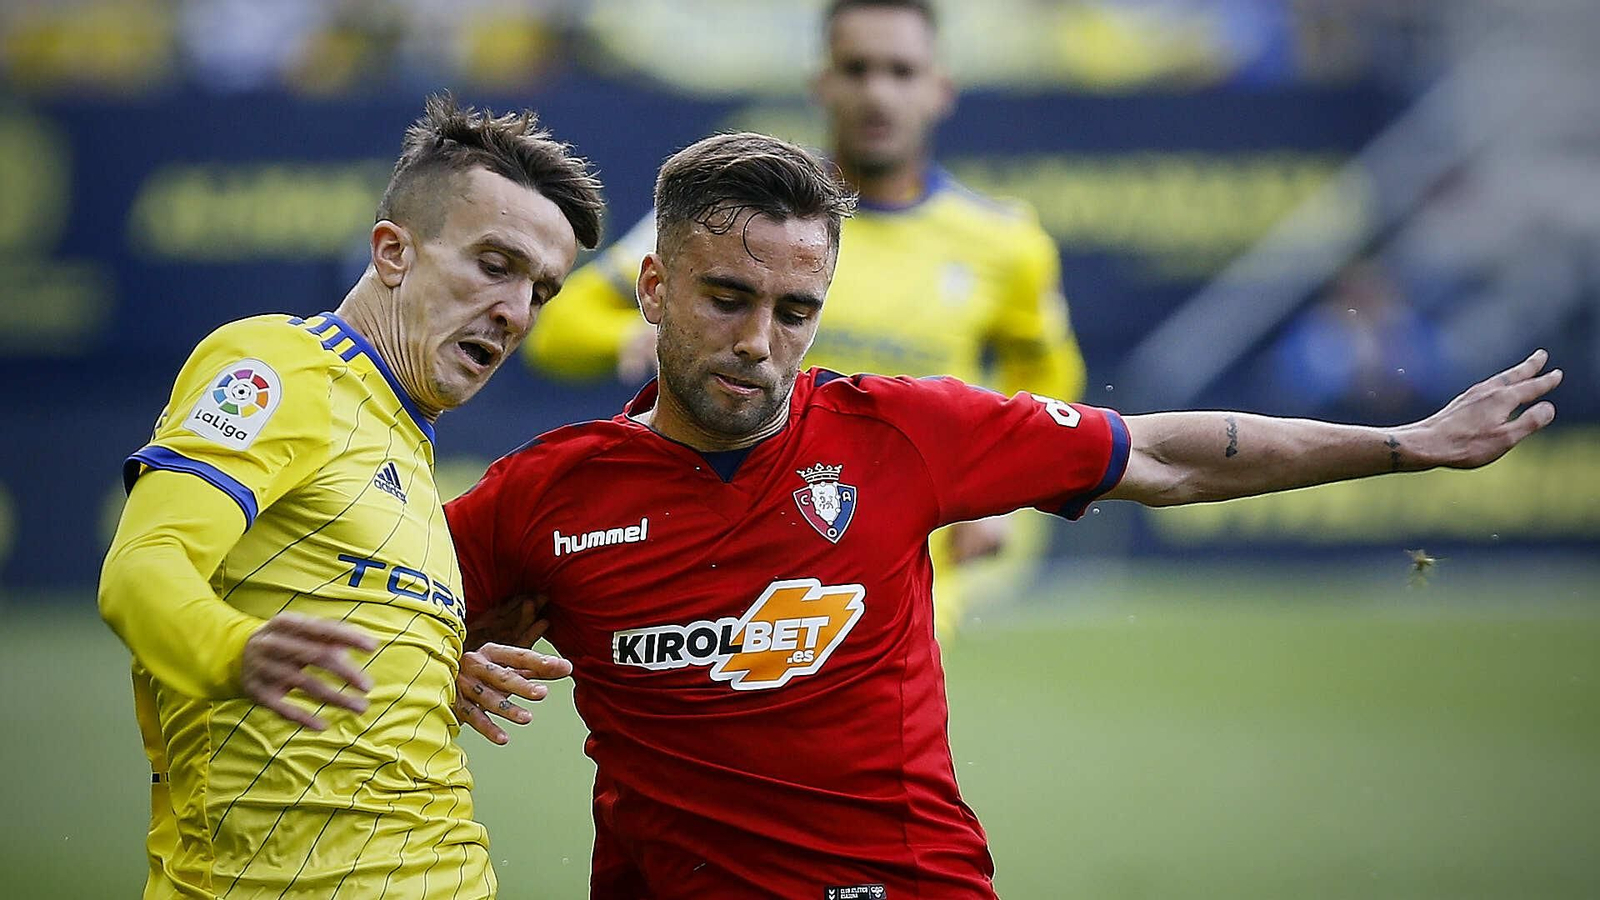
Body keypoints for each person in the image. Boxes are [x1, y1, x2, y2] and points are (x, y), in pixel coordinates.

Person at [444, 132, 1561, 897]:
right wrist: (437, 654)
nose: (759, 343)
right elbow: (380, 603)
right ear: (650, 291)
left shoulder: (906, 431)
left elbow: (1161, 454)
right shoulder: (550, 494)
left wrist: (1405, 444)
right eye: (726, 299)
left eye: (796, 311)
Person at [98, 94, 602, 899]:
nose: (514, 312)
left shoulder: (407, 444)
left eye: (541, 291)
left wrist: (432, 670)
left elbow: (330, 626)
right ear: (393, 253)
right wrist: (233, 651)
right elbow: (142, 566)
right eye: (494, 264)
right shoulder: (280, 364)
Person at [524, 0, 1087, 633]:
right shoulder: (745, 219)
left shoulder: (1004, 243)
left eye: (901, 72)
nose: (877, 94)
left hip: (905, 575)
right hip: (735, 550)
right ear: (821, 82)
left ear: (940, 89)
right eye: (856, 69)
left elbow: (1047, 368)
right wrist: (632, 332)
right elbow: (556, 329)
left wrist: (1007, 491)